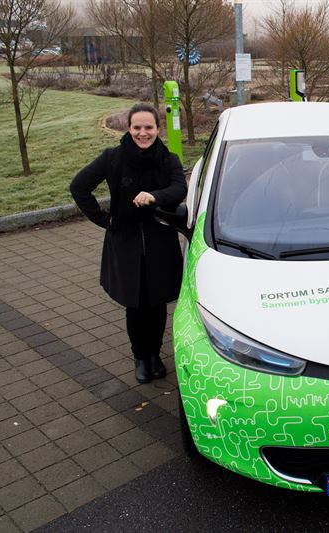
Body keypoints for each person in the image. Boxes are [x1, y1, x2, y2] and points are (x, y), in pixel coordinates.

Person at [70, 103, 187, 384]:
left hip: (160, 241)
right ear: (129, 128)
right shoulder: (113, 158)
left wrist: (155, 196)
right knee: (136, 305)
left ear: (157, 129)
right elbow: (79, 186)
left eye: (148, 127)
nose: (142, 133)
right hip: (126, 243)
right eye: (137, 127)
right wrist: (104, 220)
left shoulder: (168, 159)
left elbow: (179, 188)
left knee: (157, 303)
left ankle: (155, 354)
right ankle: (140, 356)